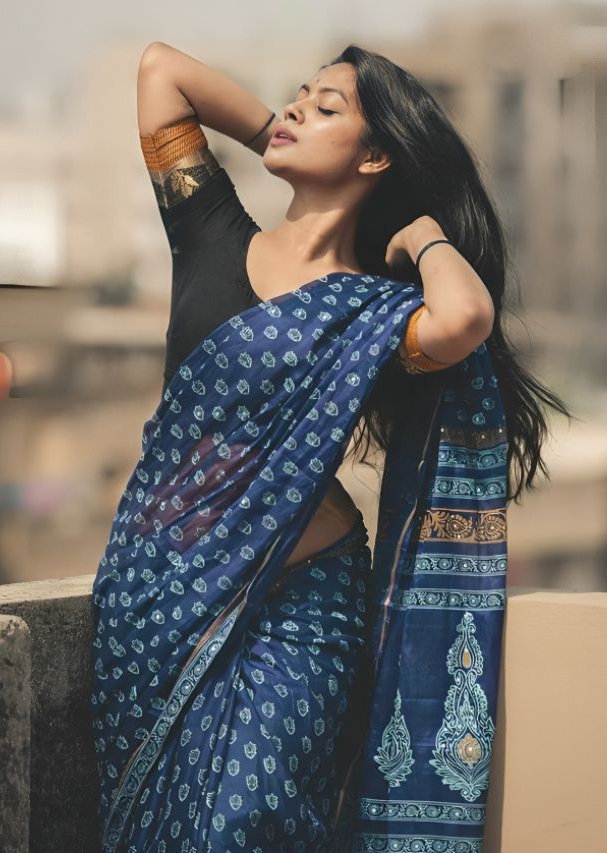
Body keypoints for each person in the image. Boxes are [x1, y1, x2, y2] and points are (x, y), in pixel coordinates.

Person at [90, 43, 572, 853]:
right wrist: (273, 131)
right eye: (296, 99)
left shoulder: (373, 313)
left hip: (306, 609)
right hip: (155, 599)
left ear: (375, 152)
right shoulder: (208, 229)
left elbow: (462, 321)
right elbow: (158, 70)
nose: (295, 113)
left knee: (248, 825)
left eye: (327, 109)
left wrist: (422, 236)